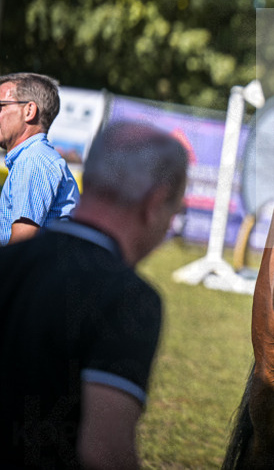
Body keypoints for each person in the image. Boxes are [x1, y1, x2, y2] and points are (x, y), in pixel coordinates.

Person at [0, 122, 189, 469]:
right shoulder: (128, 298)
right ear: (156, 201)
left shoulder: (7, 261)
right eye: (177, 211)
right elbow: (104, 453)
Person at [0, 72, 80, 245]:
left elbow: (21, 245)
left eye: (1, 106)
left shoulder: (33, 160)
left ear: (29, 111)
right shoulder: (34, 158)